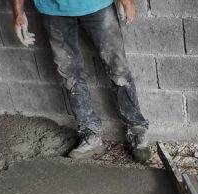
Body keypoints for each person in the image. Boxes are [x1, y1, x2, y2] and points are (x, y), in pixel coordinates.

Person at [11, 0, 151, 162]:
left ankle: (136, 128)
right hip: (53, 10)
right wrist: (18, 13)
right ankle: (90, 133)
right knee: (70, 74)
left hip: (97, 4)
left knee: (117, 67)